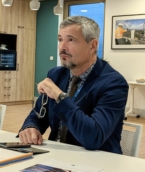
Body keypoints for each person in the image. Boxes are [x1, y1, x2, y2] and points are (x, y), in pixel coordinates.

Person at [19, 16, 129, 154]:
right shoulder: (55, 75)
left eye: (71, 40)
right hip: (57, 157)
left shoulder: (114, 83)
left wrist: (60, 97)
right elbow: (39, 114)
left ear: (92, 45)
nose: (62, 47)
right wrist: (30, 126)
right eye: (60, 40)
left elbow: (93, 138)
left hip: (97, 162)